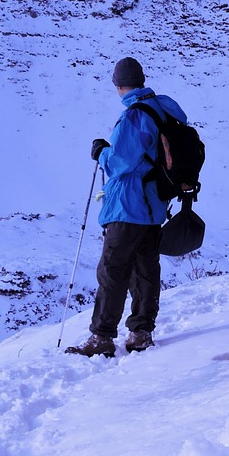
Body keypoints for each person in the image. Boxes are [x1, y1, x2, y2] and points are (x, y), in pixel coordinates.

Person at [66, 56, 188, 358]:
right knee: (146, 271)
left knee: (113, 270)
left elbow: (120, 162)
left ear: (118, 85)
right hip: (153, 207)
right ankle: (141, 332)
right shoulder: (163, 110)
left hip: (127, 206)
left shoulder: (135, 115)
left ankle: (102, 337)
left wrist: (101, 152)